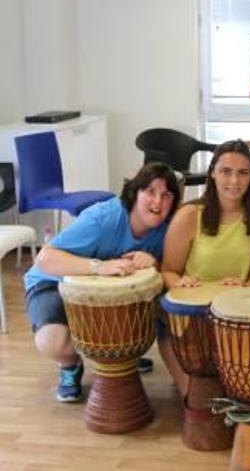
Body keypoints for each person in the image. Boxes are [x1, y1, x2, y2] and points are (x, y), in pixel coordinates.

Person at [23, 162, 181, 402]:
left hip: (105, 295)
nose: (158, 202)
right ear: (135, 192)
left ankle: (121, 355)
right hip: (52, 280)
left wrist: (153, 262)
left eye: (166, 195)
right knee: (52, 341)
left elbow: (167, 270)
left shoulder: (168, 228)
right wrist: (100, 266)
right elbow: (45, 259)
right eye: (150, 191)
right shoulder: (103, 217)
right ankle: (70, 365)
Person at [159, 140, 250, 391]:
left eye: (243, 173)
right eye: (226, 171)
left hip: (238, 313)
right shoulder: (190, 215)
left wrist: (244, 286)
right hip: (192, 317)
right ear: (212, 173)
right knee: (201, 403)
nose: (234, 181)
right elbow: (167, 270)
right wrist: (180, 284)